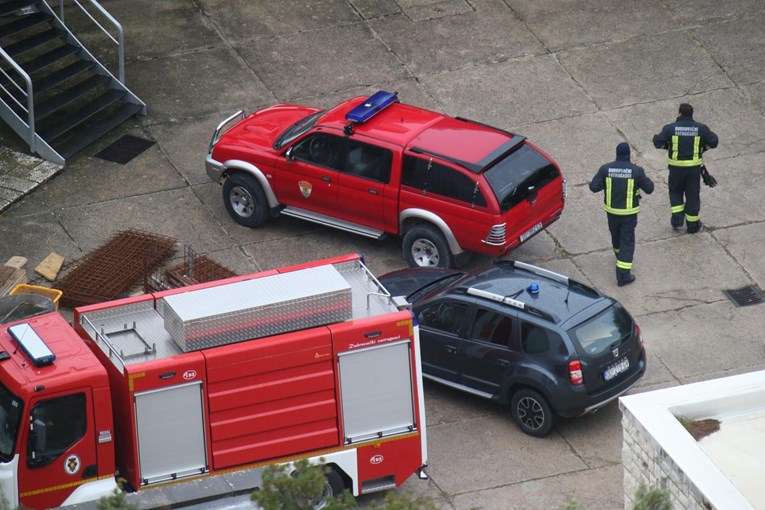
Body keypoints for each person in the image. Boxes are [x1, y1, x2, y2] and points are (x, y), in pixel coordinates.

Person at [590, 143, 654, 287]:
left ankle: (620, 257)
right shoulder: (636, 171)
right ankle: (623, 275)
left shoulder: (605, 169)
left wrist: (605, 183)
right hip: (629, 214)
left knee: (616, 237)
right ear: (629, 155)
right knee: (627, 241)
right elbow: (650, 188)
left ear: (617, 154)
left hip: (611, 212)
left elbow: (593, 187)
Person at [652, 103, 718, 233]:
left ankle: (677, 219)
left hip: (676, 169)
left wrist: (669, 147)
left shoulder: (670, 128)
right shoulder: (701, 128)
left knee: (675, 191)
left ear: (679, 113)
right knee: (692, 195)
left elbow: (657, 142)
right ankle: (693, 226)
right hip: (694, 170)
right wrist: (703, 149)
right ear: (691, 114)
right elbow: (714, 141)